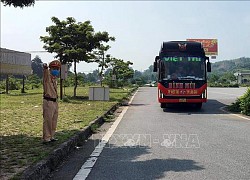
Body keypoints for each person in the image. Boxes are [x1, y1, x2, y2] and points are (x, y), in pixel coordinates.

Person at [42, 60, 61, 144]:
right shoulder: (47, 77)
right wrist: (45, 68)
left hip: (55, 102)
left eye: (57, 68)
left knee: (54, 120)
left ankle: (52, 136)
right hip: (48, 101)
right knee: (48, 120)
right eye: (54, 68)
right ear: (50, 69)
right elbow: (46, 72)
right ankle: (47, 138)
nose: (56, 70)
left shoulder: (55, 79)